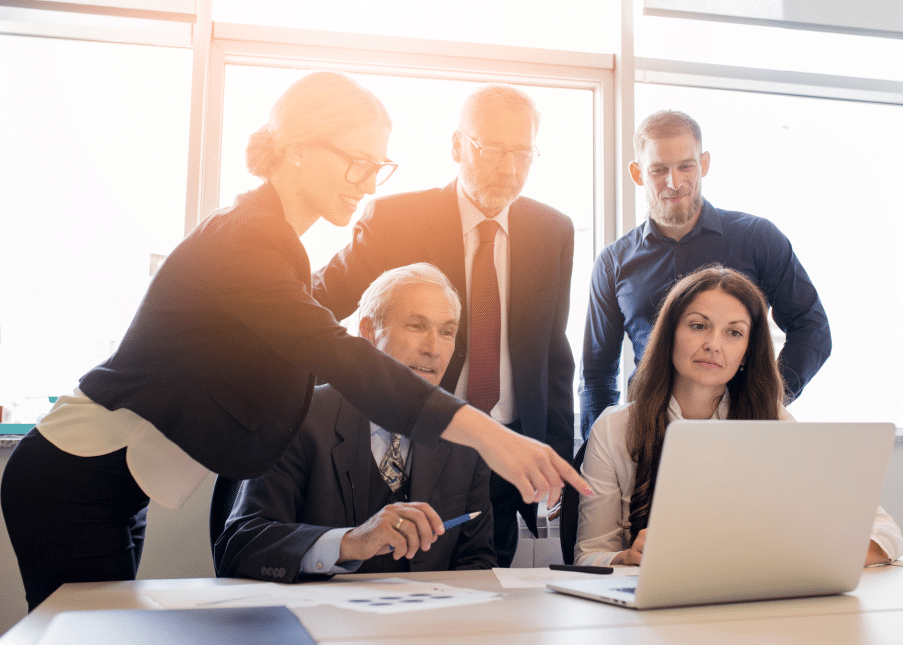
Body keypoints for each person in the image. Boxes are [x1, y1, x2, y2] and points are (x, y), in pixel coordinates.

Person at [1, 71, 589, 611]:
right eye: (357, 162)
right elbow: (338, 352)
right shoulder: (245, 242)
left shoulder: (275, 240)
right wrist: (488, 434)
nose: (366, 182)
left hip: (116, 488)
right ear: (300, 148)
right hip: (72, 481)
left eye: (378, 166)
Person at [312, 84, 575, 567]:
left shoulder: (553, 230)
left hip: (511, 445)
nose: (509, 169)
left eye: (522, 154)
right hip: (422, 445)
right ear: (457, 146)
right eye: (493, 150)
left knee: (484, 589)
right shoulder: (395, 218)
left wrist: (555, 454)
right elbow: (318, 306)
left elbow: (554, 358)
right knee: (399, 577)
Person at [574, 265, 903, 567]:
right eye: (699, 325)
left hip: (751, 610)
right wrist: (626, 557)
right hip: (648, 615)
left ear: (747, 351)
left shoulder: (773, 424)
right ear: (670, 334)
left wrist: (809, 559)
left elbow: (885, 531)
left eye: (734, 332)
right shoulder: (614, 428)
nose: (713, 344)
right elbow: (588, 556)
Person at [215, 264, 496, 581]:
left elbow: (477, 561)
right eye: (416, 326)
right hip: (320, 624)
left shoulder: (465, 435)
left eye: (447, 332)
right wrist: (349, 543)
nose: (434, 349)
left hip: (426, 625)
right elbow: (238, 549)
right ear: (367, 331)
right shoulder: (298, 417)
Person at [580, 110, 831, 439]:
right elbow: (597, 372)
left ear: (705, 164)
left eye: (686, 166)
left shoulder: (757, 238)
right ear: (638, 173)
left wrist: (763, 402)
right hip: (647, 436)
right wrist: (599, 446)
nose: (674, 182)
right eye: (659, 170)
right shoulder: (613, 262)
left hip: (741, 436)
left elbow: (812, 329)